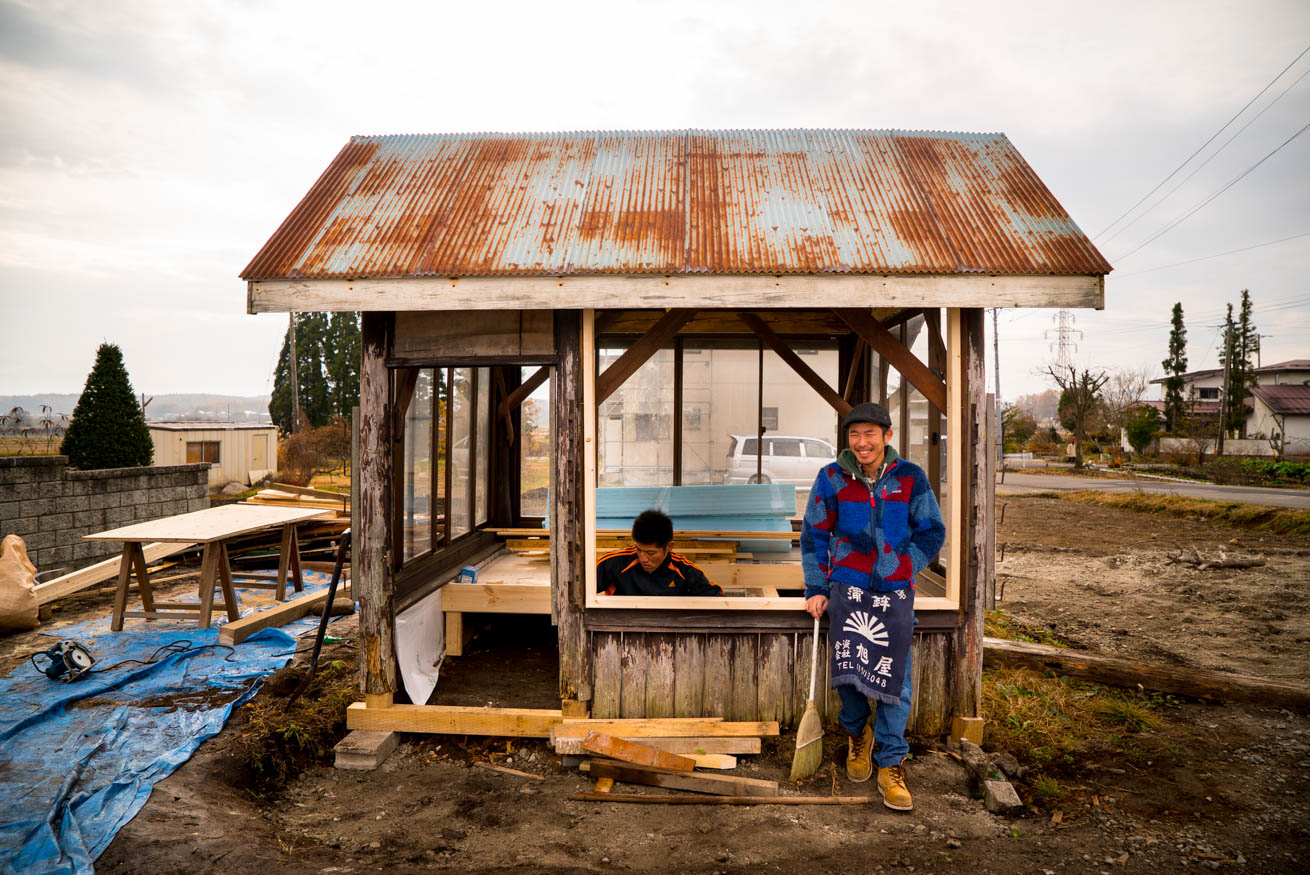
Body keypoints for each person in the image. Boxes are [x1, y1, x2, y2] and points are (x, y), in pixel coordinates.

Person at [800, 402, 945, 811]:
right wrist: (816, 586)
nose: (861, 443)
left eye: (869, 434)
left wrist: (904, 564)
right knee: (849, 671)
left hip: (895, 590)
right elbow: (813, 535)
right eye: (854, 435)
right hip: (847, 587)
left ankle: (891, 762)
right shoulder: (831, 478)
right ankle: (857, 735)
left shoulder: (910, 478)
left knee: (895, 678)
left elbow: (933, 531)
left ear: (887, 436)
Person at [596, 509, 724, 597]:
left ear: (669, 547)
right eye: (639, 550)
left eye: (651, 553)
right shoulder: (613, 563)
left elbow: (718, 601)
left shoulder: (685, 571)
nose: (643, 558)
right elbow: (579, 590)